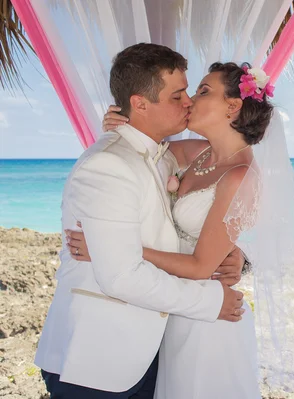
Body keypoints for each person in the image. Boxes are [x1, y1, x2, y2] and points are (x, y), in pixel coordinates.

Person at [34, 43, 246, 399]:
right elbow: (121, 276)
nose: (189, 103)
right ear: (140, 103)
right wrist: (212, 303)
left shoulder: (166, 158)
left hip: (151, 353)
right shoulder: (108, 164)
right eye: (177, 96)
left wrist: (233, 253)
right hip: (94, 362)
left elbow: (182, 229)